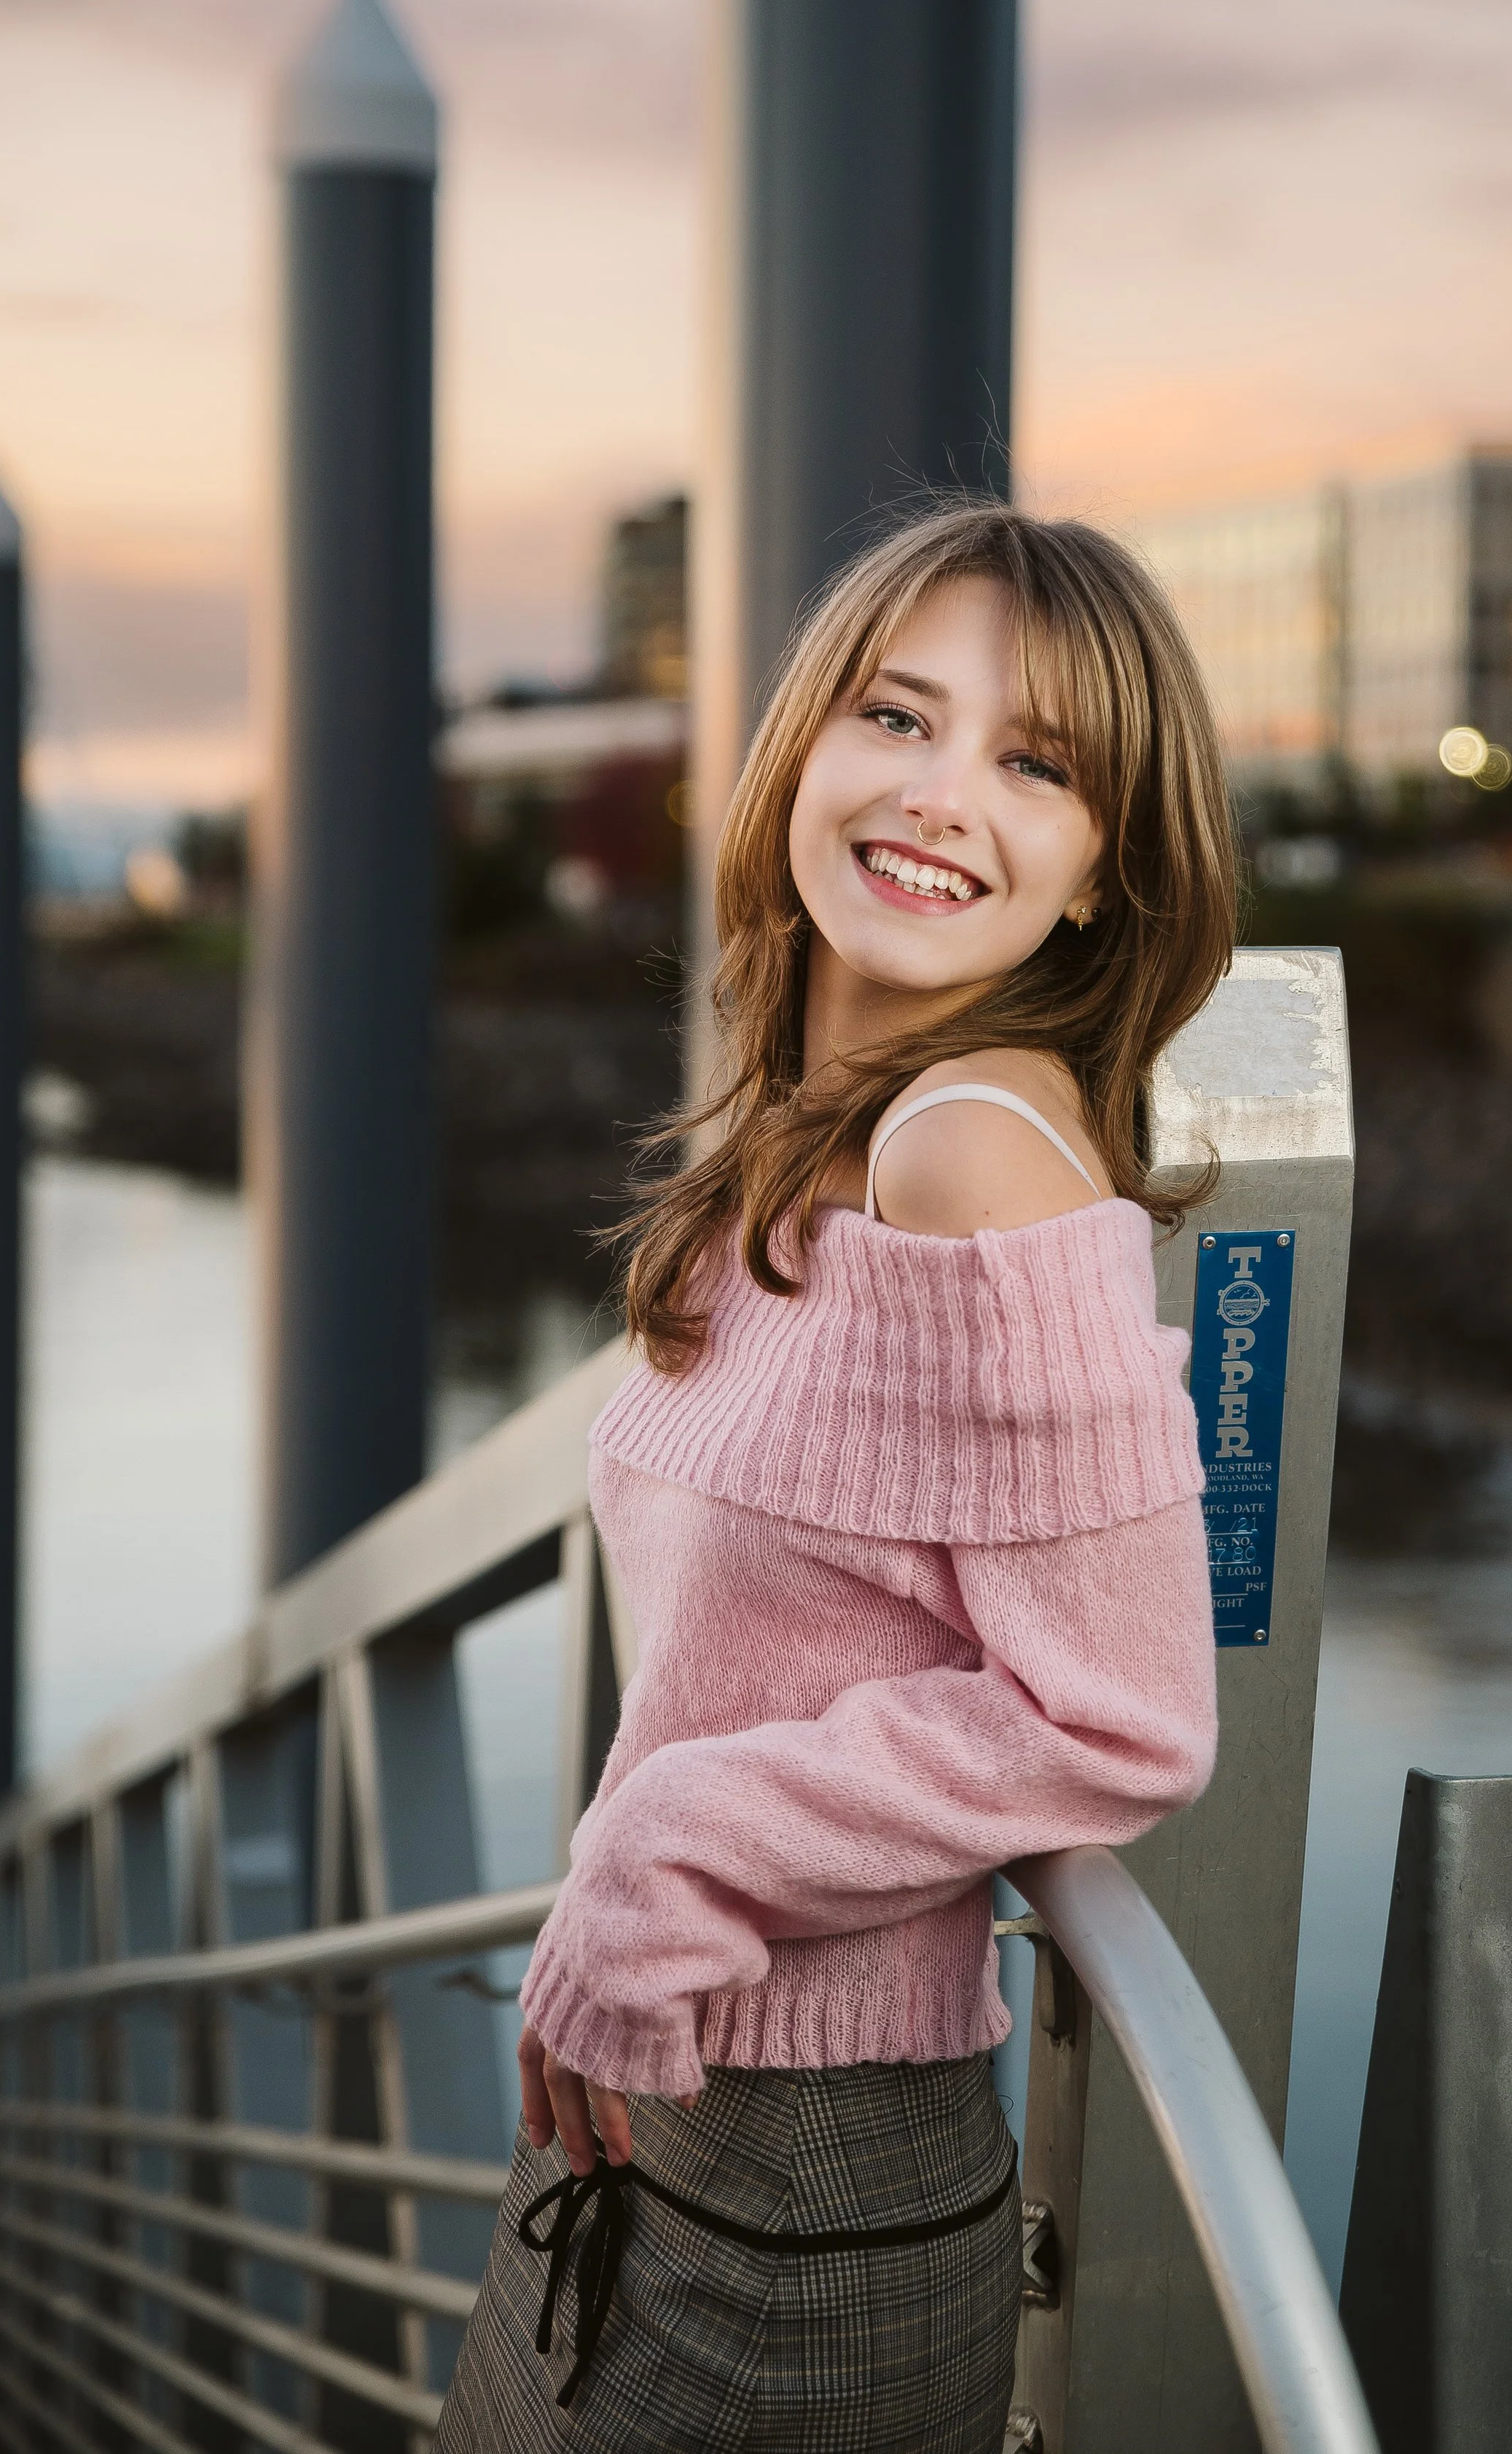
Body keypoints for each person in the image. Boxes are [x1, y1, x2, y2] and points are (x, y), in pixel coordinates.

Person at [436, 501, 1235, 2454]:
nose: (941, 791)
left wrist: (668, 1841)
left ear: (1094, 880)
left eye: (1035, 762)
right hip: (654, 2096)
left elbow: (1120, 1719)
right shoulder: (815, 1130)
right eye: (895, 714)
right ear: (799, 747)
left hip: (806, 2187)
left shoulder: (974, 1146)